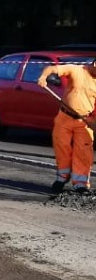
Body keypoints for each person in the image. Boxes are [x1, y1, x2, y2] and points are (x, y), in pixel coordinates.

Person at [36, 60, 96, 195]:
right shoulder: (76, 70)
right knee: (62, 147)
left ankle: (80, 184)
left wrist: (94, 123)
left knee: (83, 152)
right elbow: (52, 68)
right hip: (64, 117)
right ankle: (62, 177)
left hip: (85, 121)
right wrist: (43, 77)